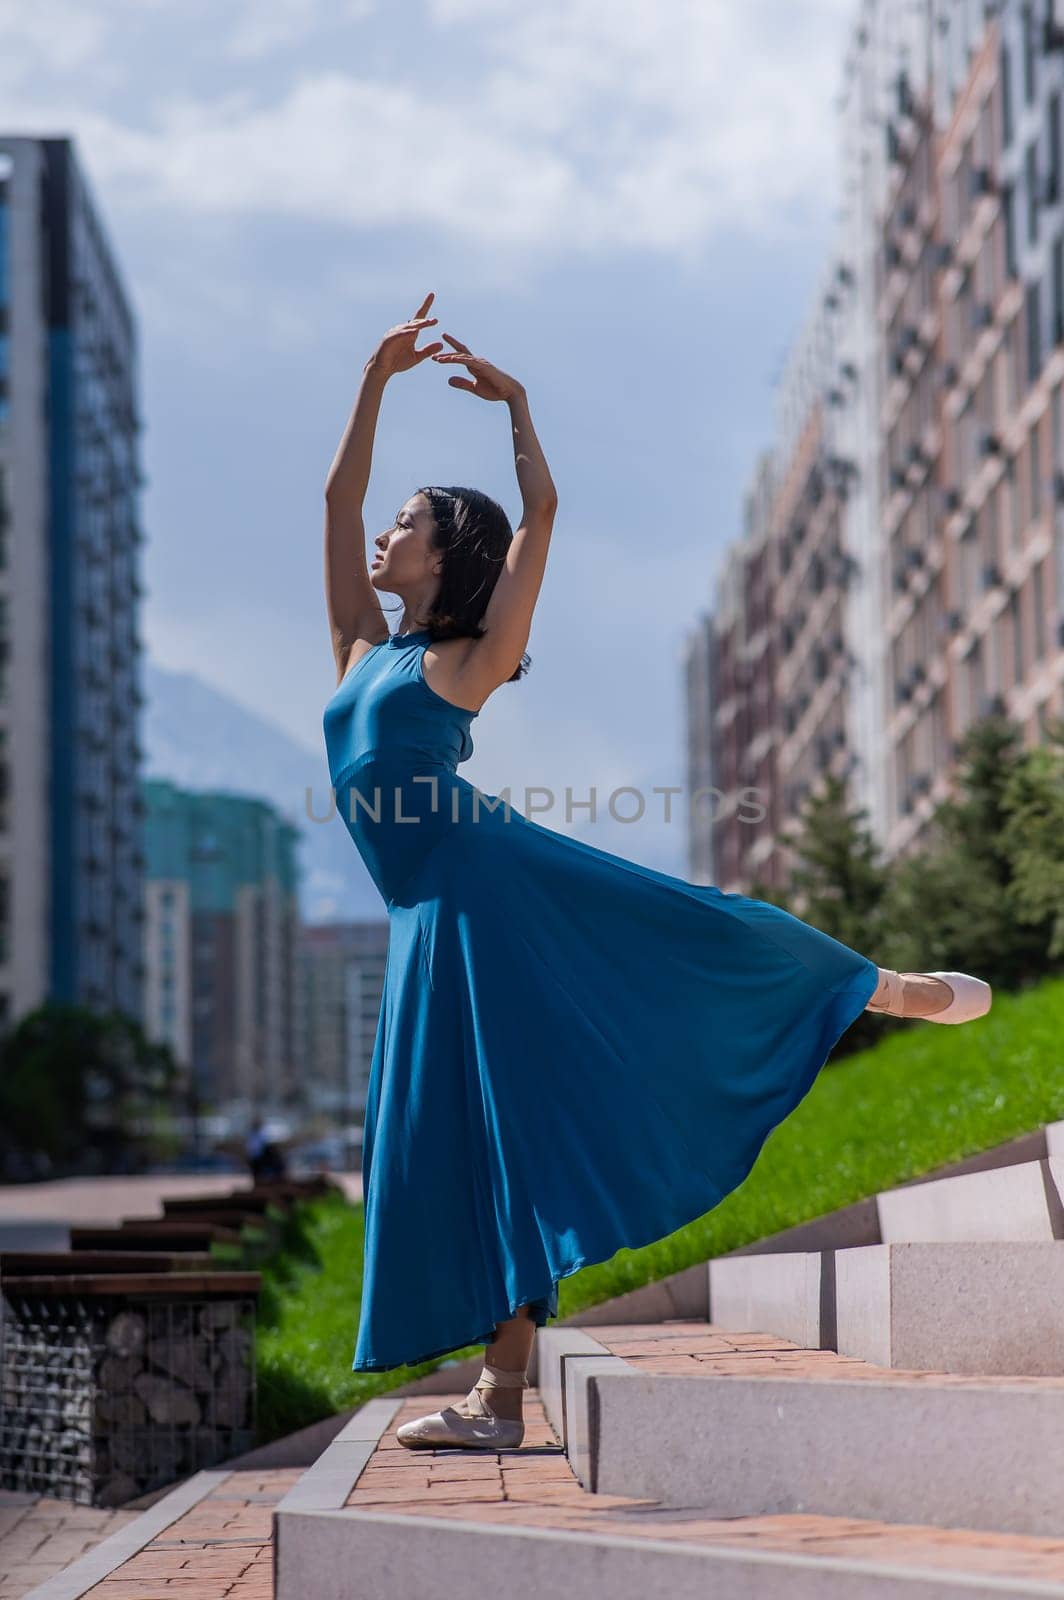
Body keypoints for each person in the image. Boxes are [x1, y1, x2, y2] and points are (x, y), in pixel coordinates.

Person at [321, 292, 992, 1453]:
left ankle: (887, 989)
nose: (382, 533)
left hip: (496, 893)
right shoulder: (356, 652)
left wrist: (518, 407)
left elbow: (540, 512)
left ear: (443, 556)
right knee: (477, 1139)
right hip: (427, 921)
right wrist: (372, 382)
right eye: (388, 523)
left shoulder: (468, 661)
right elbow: (332, 503)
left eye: (404, 523)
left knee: (696, 934)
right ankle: (498, 1395)